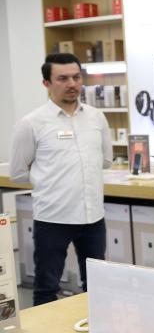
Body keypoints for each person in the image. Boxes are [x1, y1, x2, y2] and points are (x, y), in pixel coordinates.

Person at [10, 53, 112, 305]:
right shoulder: (31, 123)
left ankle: (95, 328)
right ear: (46, 83)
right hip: (53, 218)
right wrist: (52, 177)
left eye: (76, 77)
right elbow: (18, 172)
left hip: (93, 217)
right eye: (63, 78)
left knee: (97, 286)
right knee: (47, 288)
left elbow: (105, 160)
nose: (72, 84)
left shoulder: (96, 117)